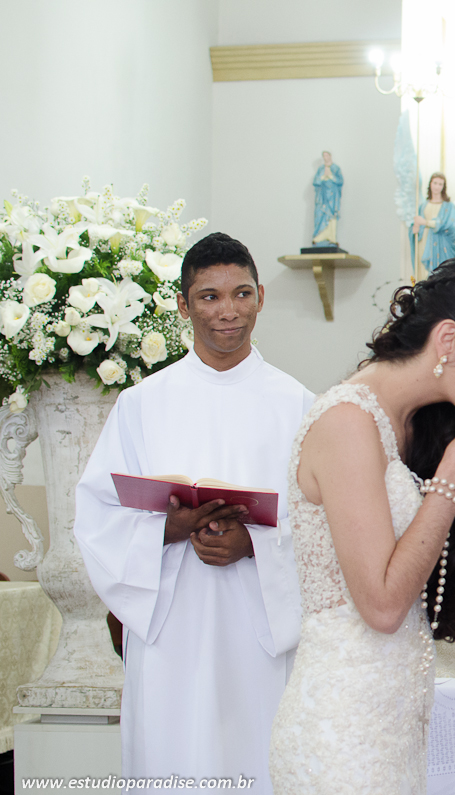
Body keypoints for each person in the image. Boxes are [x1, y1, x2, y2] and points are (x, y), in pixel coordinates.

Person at [269, 257, 455, 793]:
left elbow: (429, 589)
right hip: (341, 735)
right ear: (448, 338)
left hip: (396, 728)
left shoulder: (420, 423)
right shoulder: (347, 422)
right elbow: (382, 605)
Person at [74, 233, 314, 792]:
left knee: (261, 757)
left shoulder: (300, 404)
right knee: (173, 758)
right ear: (183, 305)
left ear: (261, 299)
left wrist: (253, 544)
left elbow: (327, 521)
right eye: (208, 297)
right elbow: (98, 516)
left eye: (242, 294)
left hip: (260, 624)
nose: (228, 311)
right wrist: (168, 527)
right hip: (172, 626)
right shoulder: (141, 404)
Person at [409, 172, 455, 280]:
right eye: (435, 183)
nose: (437, 187)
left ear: (443, 187)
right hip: (425, 243)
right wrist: (415, 228)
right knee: (423, 274)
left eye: (440, 184)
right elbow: (417, 226)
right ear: (430, 184)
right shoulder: (423, 206)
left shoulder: (449, 207)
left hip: (442, 246)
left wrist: (426, 223)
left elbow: (450, 226)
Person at [312, 150, 343, 248]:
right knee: (321, 214)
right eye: (323, 156)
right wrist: (322, 178)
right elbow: (316, 181)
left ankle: (331, 237)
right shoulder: (321, 169)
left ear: (330, 156)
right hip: (322, 197)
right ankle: (320, 237)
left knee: (332, 216)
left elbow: (340, 181)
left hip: (332, 197)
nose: (325, 158)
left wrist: (330, 177)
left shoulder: (335, 168)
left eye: (326, 156)